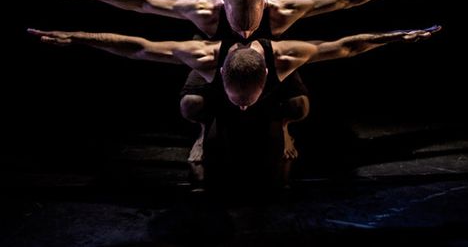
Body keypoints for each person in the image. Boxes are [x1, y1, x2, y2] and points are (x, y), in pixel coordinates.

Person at [28, 25, 441, 185]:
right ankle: (203, 132)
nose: (244, 108)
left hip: (272, 92)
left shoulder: (282, 57)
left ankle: (284, 126)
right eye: (236, 100)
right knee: (190, 104)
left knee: (300, 106)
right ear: (221, 76)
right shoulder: (206, 59)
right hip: (212, 93)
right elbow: (138, 45)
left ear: (266, 78)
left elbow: (349, 42)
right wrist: (75, 37)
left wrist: (401, 36)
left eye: (251, 100)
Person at [41, 0, 435, 40]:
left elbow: (346, 0)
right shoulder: (203, 12)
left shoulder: (282, 11)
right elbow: (141, 5)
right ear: (221, 7)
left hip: (269, 73)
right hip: (217, 78)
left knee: (296, 103)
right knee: (192, 103)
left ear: (267, 4)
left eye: (252, 20)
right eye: (237, 20)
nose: (245, 32)